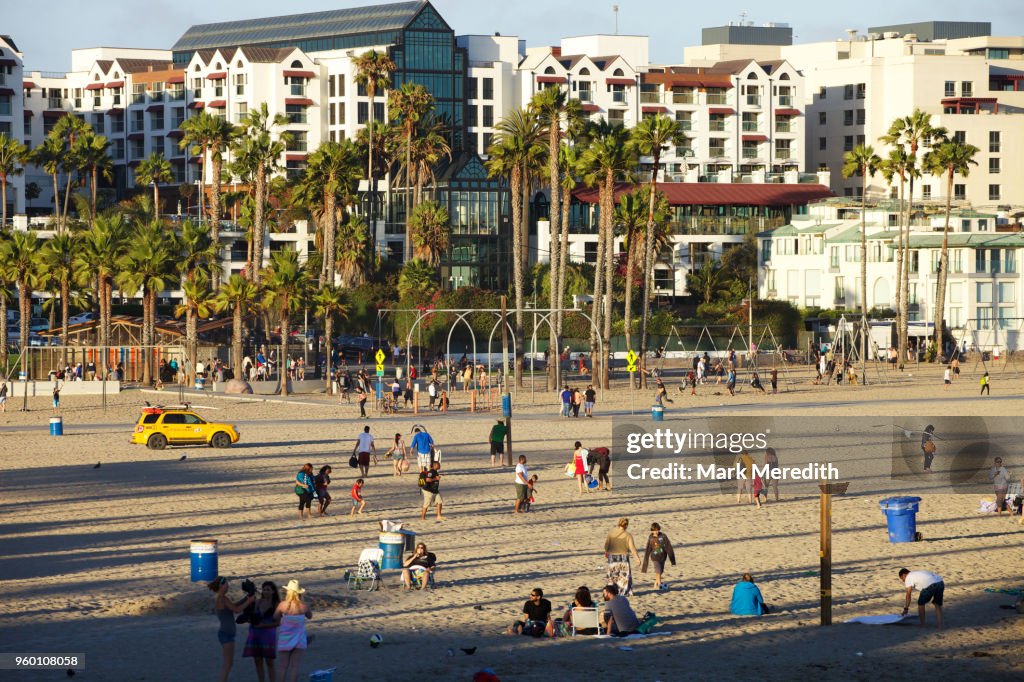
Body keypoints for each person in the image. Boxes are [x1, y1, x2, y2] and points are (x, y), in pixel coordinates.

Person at [208, 576, 256, 682]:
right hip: (226, 634)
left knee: (228, 663)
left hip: (225, 633)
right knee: (228, 664)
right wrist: (249, 601)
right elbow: (237, 610)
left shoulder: (223, 598)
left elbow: (233, 606)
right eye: (226, 584)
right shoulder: (222, 599)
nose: (228, 586)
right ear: (221, 585)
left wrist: (246, 598)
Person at [275, 580, 312, 682]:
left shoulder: (282, 605)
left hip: (285, 638)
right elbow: (310, 616)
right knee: (294, 667)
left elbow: (275, 617)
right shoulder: (303, 606)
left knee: (283, 666)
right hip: (299, 638)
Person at [242, 581, 280, 682]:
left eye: (268, 590)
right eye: (264, 589)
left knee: (269, 662)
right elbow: (253, 616)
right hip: (255, 633)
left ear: (273, 591)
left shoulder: (276, 604)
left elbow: (278, 623)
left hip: (268, 635)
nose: (265, 592)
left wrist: (263, 625)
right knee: (257, 661)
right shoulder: (258, 602)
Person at [604, 518, 642, 596]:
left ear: (618, 523)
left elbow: (606, 546)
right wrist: (637, 558)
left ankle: (612, 592)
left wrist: (607, 551)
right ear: (626, 525)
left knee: (613, 575)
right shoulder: (628, 535)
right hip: (623, 558)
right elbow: (632, 549)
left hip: (613, 557)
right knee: (623, 576)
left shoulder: (611, 533)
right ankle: (623, 592)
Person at [641, 522, 677, 591]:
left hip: (663, 557)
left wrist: (672, 560)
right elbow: (648, 549)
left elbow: (668, 547)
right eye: (654, 530)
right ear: (652, 530)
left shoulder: (663, 536)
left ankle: (656, 583)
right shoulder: (650, 538)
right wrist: (645, 563)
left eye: (657, 530)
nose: (656, 532)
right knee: (658, 570)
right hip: (654, 557)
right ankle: (660, 584)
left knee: (660, 571)